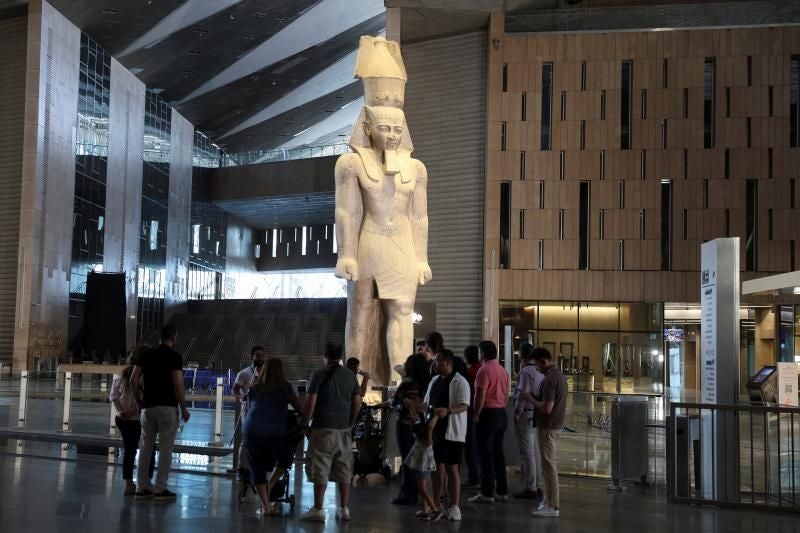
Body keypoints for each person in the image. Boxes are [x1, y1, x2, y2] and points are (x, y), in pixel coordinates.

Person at [335, 36, 432, 380]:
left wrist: (421, 257)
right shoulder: (351, 163)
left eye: (396, 129)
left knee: (402, 309)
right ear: (366, 127)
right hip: (369, 240)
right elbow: (347, 212)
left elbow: (419, 216)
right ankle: (356, 379)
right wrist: (345, 253)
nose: (391, 135)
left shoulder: (416, 168)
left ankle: (397, 379)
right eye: (383, 128)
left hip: (402, 243)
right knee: (360, 309)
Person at [301, 342, 361, 522]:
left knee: (320, 468)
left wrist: (305, 424)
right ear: (340, 356)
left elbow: (311, 402)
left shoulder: (318, 374)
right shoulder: (351, 376)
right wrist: (349, 424)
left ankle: (318, 509)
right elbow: (356, 404)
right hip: (343, 430)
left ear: (325, 356)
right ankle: (344, 509)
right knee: (344, 470)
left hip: (322, 429)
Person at [130, 324, 190, 501]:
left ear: (159, 338)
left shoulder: (146, 354)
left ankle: (141, 487)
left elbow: (133, 380)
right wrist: (184, 407)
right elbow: (178, 384)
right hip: (167, 407)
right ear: (173, 338)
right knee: (165, 449)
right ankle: (160, 488)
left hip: (147, 407)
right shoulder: (174, 356)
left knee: (145, 447)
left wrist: (140, 401)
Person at [243, 358, 304, 517]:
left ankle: (265, 506)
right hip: (274, 431)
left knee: (257, 469)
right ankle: (271, 485)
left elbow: (252, 407)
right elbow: (299, 408)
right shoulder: (285, 387)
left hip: (252, 429)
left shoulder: (254, 386)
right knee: (285, 459)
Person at [422, 349, 470, 521]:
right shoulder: (434, 380)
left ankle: (455, 506)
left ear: (448, 363)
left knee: (452, 468)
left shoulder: (460, 382)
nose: (435, 364)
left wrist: (448, 411)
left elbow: (465, 405)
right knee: (436, 468)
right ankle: (437, 503)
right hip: (435, 431)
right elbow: (426, 403)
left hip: (453, 431)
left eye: (438, 361)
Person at [469, 340, 510, 504]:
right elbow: (506, 394)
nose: (478, 355)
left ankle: (486, 493)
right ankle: (502, 491)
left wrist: (476, 413)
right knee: (498, 453)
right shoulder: (502, 370)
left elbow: (480, 394)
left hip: (487, 414)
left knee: (485, 454)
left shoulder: (483, 370)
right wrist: (501, 406)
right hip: (501, 413)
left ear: (483, 354)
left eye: (479, 352)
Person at [530, 346, 568, 518]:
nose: (537, 369)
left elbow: (547, 407)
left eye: (537, 365)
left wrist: (530, 399)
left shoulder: (550, 379)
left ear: (544, 361)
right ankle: (548, 501)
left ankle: (552, 506)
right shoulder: (559, 375)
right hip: (555, 425)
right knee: (548, 465)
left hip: (548, 427)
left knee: (549, 466)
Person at [109, 357, 153, 496]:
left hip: (123, 420)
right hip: (139, 420)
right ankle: (146, 481)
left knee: (129, 451)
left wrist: (122, 412)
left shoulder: (120, 378)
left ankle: (128, 483)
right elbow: (144, 400)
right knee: (149, 451)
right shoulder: (144, 378)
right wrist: (131, 412)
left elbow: (114, 397)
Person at [512, 343, 545, 502]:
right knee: (535, 451)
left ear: (522, 356)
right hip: (536, 414)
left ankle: (530, 487)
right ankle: (537, 484)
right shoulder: (540, 371)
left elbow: (522, 395)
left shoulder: (526, 371)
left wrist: (516, 414)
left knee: (527, 453)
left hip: (525, 414)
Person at [402, 393, 441, 522]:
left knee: (422, 488)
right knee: (424, 486)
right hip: (421, 460)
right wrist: (411, 405)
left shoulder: (426, 435)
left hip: (422, 462)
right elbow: (414, 414)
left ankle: (435, 510)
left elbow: (429, 429)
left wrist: (435, 415)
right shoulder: (420, 424)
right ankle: (425, 511)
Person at [233, 346, 266, 479]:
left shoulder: (267, 373)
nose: (261, 358)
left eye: (263, 356)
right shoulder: (245, 373)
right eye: (258, 356)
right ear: (252, 357)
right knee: (247, 439)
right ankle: (241, 467)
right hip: (248, 410)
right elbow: (235, 389)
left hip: (263, 411)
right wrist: (242, 396)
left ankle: (257, 466)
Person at [389, 380, 420, 506]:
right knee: (416, 461)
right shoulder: (424, 385)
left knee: (407, 460)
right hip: (418, 425)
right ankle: (415, 494)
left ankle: (406, 495)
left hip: (404, 425)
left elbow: (395, 402)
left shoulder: (406, 385)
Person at [462, 345, 481, 489]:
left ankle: (474, 476)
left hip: (470, 413)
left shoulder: (469, 373)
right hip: (486, 413)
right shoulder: (485, 370)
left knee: (470, 446)